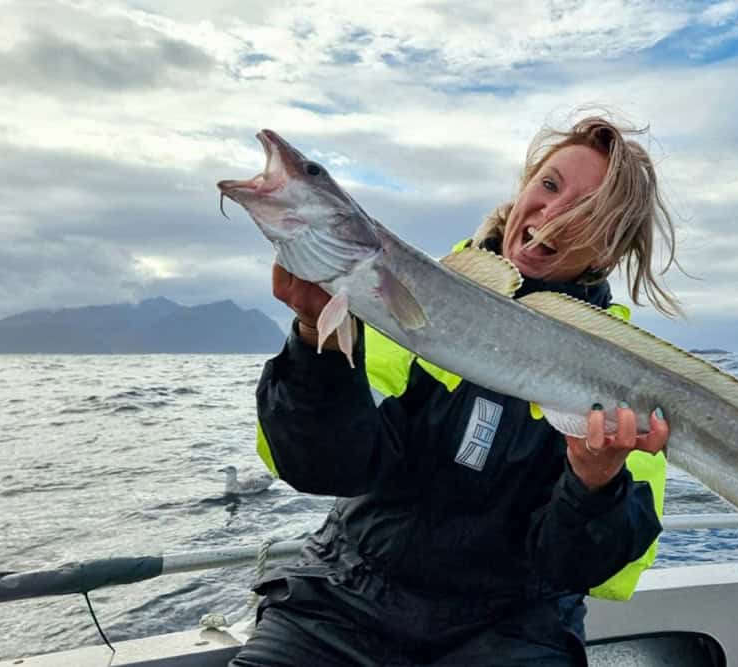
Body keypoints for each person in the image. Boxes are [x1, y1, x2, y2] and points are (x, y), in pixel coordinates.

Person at [231, 113, 680, 666]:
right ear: (521, 192)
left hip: (513, 629)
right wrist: (316, 339)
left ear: (609, 249)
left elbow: (582, 568)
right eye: (549, 184)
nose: (554, 211)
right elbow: (325, 468)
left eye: (589, 210)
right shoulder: (402, 304)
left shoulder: (625, 376)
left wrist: (596, 481)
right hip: (344, 600)